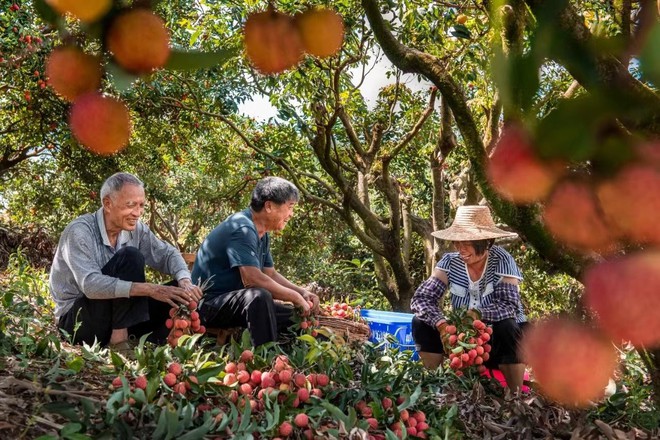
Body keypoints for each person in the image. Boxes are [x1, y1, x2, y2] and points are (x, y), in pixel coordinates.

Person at [49, 172, 203, 353]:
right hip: (79, 322)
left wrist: (185, 280)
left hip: (117, 316)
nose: (137, 213)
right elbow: (90, 285)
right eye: (130, 205)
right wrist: (151, 289)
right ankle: (119, 342)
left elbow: (167, 254)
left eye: (141, 205)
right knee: (130, 257)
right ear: (107, 204)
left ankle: (164, 343)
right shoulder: (79, 231)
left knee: (177, 291)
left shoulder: (136, 229)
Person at [411, 205, 527, 392]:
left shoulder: (502, 260)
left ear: (486, 242)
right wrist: (441, 325)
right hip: (463, 336)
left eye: (466, 243)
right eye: (457, 242)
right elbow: (422, 298)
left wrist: (477, 315)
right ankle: (434, 387)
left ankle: (515, 394)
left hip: (496, 337)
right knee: (420, 321)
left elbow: (509, 306)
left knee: (508, 325)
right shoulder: (449, 262)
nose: (460, 248)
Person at [192, 176, 320, 347]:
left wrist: (301, 292)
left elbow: (270, 274)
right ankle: (266, 360)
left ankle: (293, 355)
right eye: (290, 207)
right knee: (259, 296)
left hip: (234, 303)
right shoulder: (243, 228)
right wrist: (294, 297)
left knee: (293, 315)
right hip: (209, 306)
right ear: (269, 206)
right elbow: (252, 279)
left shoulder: (262, 233)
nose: (291, 214)